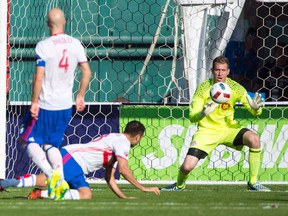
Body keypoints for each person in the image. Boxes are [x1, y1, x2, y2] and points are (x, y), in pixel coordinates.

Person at [161, 56, 270, 192]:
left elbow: (255, 111)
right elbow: (192, 117)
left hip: (229, 129)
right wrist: (202, 114)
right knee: (186, 167)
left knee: (254, 139)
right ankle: (179, 184)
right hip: (207, 132)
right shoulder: (203, 89)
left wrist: (256, 109)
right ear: (212, 71)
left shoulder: (235, 88)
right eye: (217, 70)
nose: (220, 73)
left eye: (223, 70)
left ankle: (253, 182)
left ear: (228, 71)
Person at [18, 8, 92, 200]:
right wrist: (80, 96)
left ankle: (52, 176)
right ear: (65, 22)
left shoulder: (44, 46)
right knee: (51, 144)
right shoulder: (76, 44)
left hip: (46, 105)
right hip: (65, 106)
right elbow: (87, 71)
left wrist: (34, 102)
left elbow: (39, 76)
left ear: (47, 24)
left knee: (26, 139)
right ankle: (59, 181)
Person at [2, 121, 161, 200]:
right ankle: (4, 183)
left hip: (79, 167)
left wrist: (122, 196)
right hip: (73, 158)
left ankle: (41, 194)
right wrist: (143, 188)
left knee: (85, 194)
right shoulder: (123, 143)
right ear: (138, 137)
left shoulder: (116, 141)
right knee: (46, 179)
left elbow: (109, 177)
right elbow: (125, 170)